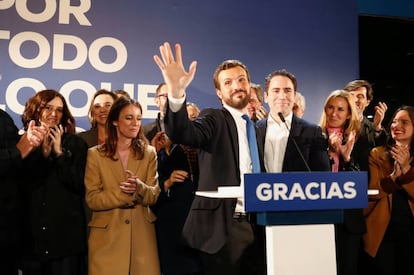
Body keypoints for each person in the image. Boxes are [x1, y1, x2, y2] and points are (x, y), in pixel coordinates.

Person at [153, 42, 264, 275]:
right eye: (228, 83)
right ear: (219, 93)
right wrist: (175, 93)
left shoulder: (257, 128)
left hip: (259, 224)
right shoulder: (213, 119)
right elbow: (183, 132)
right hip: (223, 228)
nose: (237, 86)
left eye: (241, 79)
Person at [85, 96, 161, 275]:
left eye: (139, 118)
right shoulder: (95, 155)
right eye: (129, 118)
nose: (135, 123)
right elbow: (93, 199)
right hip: (107, 240)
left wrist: (139, 188)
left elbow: (154, 195)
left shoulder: (149, 153)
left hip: (141, 241)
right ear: (115, 121)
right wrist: (124, 194)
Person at [19, 89, 88, 275]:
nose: (54, 114)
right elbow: (19, 186)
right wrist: (40, 154)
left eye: (59, 110)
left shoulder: (76, 144)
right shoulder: (21, 143)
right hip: (31, 242)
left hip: (65, 243)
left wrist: (59, 155)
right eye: (48, 108)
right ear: (36, 109)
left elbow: (80, 185)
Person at [319, 90, 366, 275]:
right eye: (330, 107)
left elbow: (364, 180)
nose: (334, 113)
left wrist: (346, 157)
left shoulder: (359, 140)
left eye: (340, 109)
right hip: (321, 215)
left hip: (349, 220)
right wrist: (329, 155)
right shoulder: (313, 137)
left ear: (348, 114)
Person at [364, 106, 414, 275]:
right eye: (394, 121)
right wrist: (392, 179)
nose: (396, 125)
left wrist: (406, 170)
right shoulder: (377, 154)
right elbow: (370, 193)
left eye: (404, 122)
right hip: (383, 234)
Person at [256, 70, 330, 173]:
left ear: (294, 96)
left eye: (287, 91)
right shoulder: (254, 130)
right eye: (276, 91)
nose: (282, 96)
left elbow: (323, 176)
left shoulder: (312, 132)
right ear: (266, 97)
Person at [0, 109, 46, 275]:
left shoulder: (3, 118)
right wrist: (17, 152)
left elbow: (21, 159)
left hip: (8, 229)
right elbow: (18, 152)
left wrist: (33, 143)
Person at [151, 134, 201, 275]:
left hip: (198, 225)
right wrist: (167, 182)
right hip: (170, 226)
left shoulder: (201, 151)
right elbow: (148, 191)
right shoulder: (155, 153)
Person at [344, 79, 388, 171]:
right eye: (351, 95)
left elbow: (384, 154)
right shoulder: (335, 126)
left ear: (367, 102)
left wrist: (377, 127)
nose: (355, 100)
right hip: (336, 182)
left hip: (366, 183)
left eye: (360, 96)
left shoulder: (375, 129)